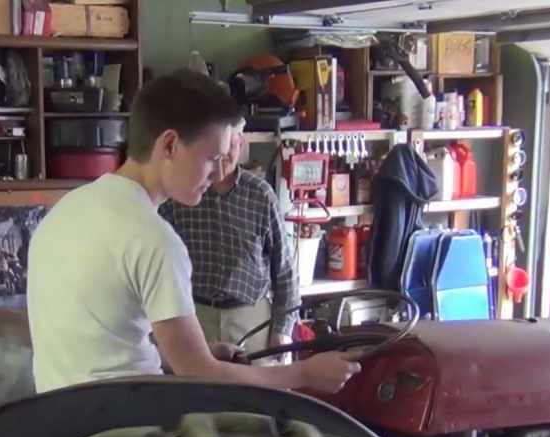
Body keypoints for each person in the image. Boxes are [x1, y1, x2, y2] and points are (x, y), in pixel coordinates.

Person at [26, 70, 360, 394]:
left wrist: (195, 353)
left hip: (62, 423)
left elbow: (104, 343)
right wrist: (304, 373)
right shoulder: (153, 239)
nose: (217, 174)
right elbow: (198, 373)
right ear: (169, 145)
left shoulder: (65, 211)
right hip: (126, 433)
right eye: (212, 158)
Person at [159, 117, 299, 356]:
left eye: (230, 147)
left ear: (241, 144)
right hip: (194, 314)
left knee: (255, 391)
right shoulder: (181, 194)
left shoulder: (260, 195)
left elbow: (285, 271)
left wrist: (282, 330)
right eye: (216, 149)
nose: (222, 156)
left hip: (251, 316)